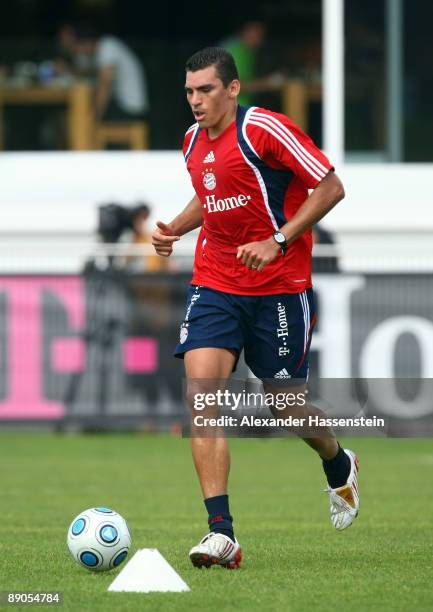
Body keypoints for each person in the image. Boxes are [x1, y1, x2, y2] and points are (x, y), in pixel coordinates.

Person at [151, 47, 359, 570]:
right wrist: (177, 226)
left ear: (234, 89)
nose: (196, 102)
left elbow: (330, 186)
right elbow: (212, 194)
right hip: (216, 282)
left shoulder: (263, 129)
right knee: (202, 398)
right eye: (190, 92)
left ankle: (338, 462)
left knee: (285, 406)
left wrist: (279, 240)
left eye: (206, 90)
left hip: (279, 286)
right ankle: (221, 533)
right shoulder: (191, 141)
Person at [72, 24, 148, 122]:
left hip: (130, 109)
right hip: (124, 105)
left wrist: (94, 116)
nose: (79, 52)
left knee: (79, 114)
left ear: (88, 43)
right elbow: (91, 72)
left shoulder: (107, 47)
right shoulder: (103, 48)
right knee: (80, 112)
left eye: (79, 48)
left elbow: (105, 84)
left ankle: (80, 136)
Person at [223, 21, 284, 106]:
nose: (258, 39)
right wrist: (270, 82)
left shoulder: (249, 52)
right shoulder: (236, 50)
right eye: (255, 33)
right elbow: (236, 87)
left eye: (260, 35)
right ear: (245, 31)